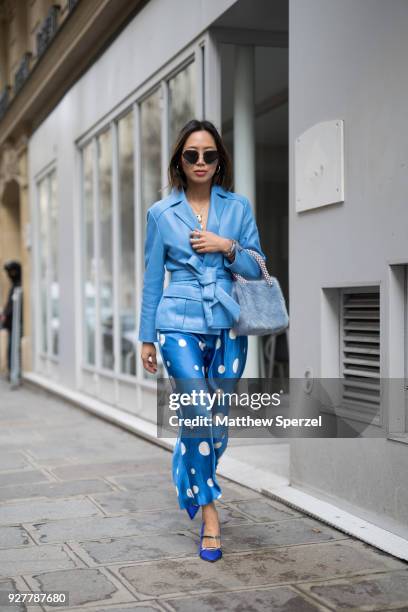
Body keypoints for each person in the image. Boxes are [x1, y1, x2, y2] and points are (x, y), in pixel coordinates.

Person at [138, 119, 266, 562]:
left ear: (219, 160)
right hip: (177, 322)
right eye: (191, 154)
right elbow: (152, 280)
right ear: (179, 159)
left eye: (209, 154)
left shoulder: (238, 207)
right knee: (196, 409)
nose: (200, 161)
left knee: (215, 424)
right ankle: (211, 518)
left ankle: (184, 465)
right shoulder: (160, 213)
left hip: (228, 324)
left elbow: (256, 267)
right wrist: (146, 337)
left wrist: (226, 245)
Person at [0, 260, 22, 379]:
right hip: (10, 324)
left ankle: (13, 370)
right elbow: (9, 303)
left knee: (13, 347)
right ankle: (11, 370)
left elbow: (14, 306)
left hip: (16, 324)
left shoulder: (18, 286)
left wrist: (6, 314)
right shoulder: (14, 286)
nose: (10, 274)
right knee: (11, 347)